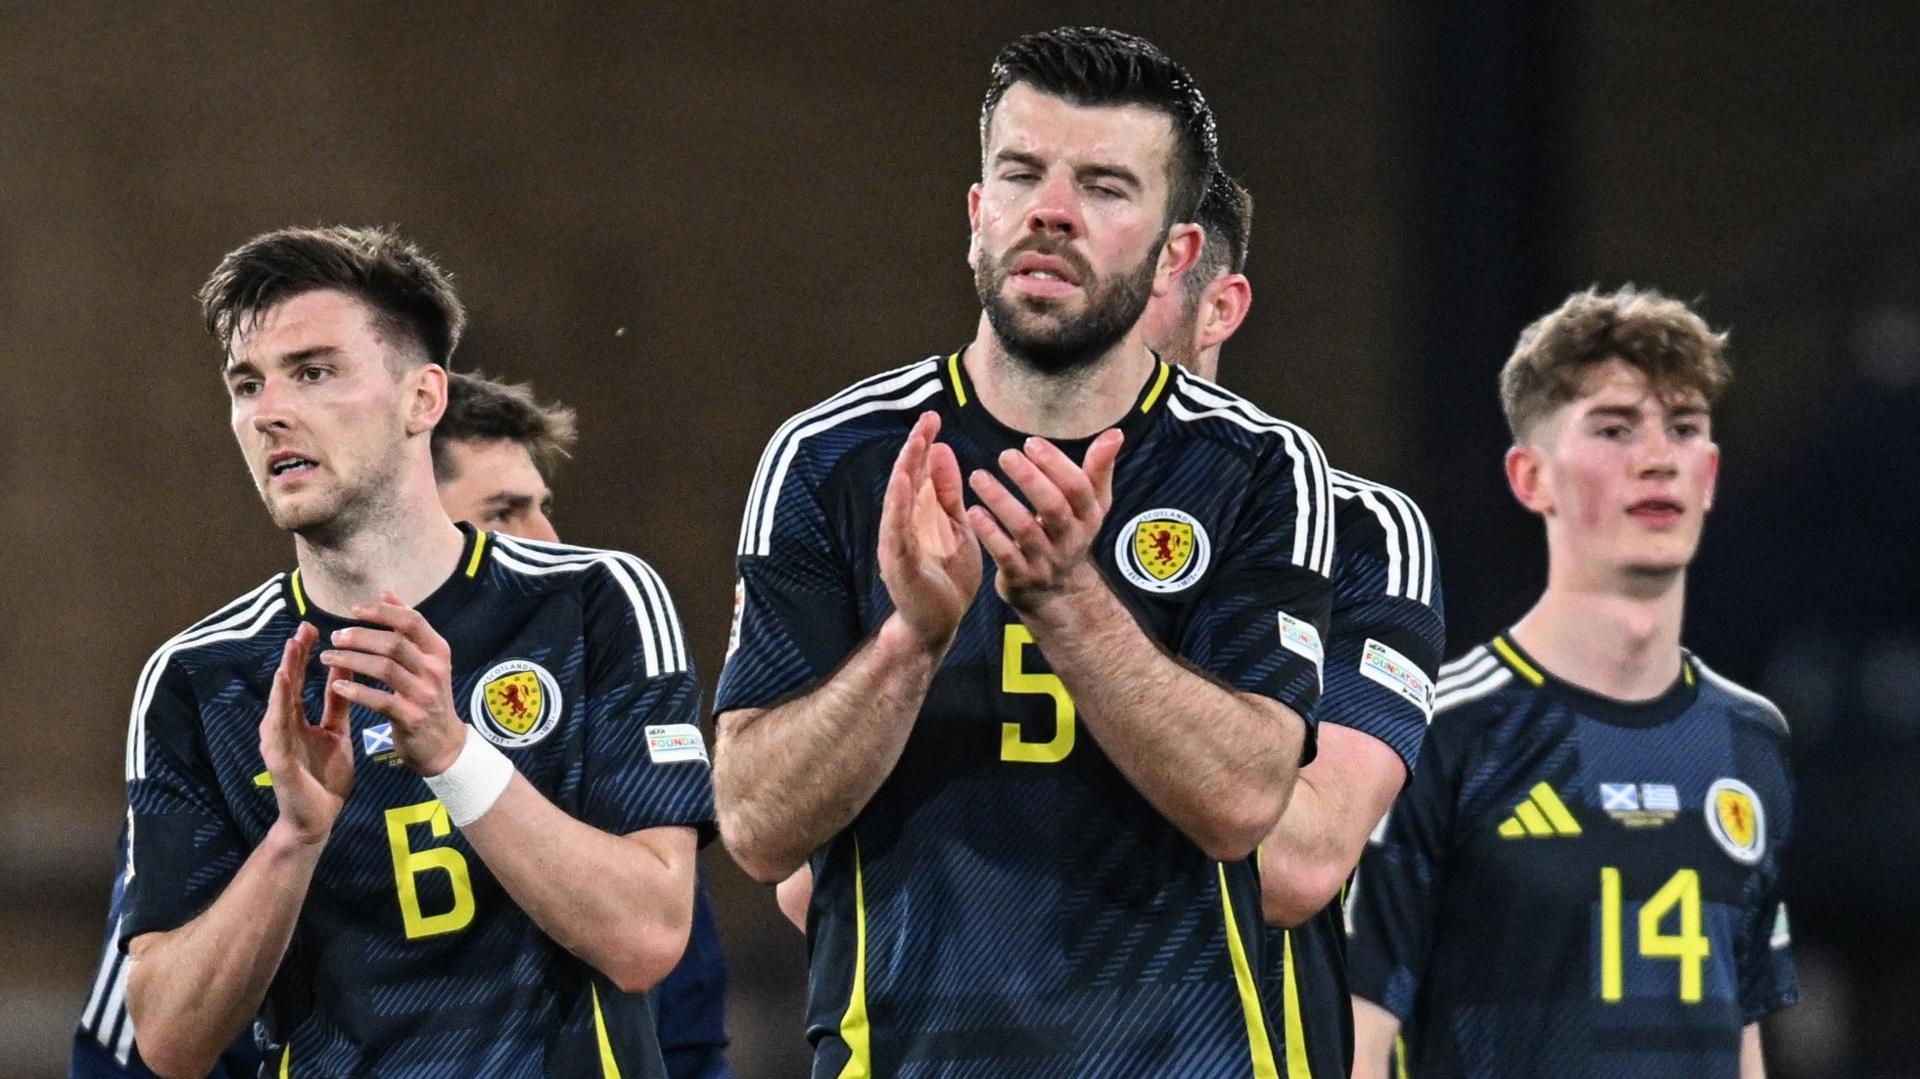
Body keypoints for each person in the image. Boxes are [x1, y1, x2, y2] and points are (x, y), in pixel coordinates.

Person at [714, 27, 1336, 1076]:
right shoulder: (832, 456)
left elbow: (1242, 802)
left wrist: (1066, 599)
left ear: (1176, 254)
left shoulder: (1256, 467)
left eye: (1103, 185)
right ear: (976, 215)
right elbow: (755, 824)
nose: (1051, 210)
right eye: (1021, 174)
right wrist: (911, 641)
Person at [119, 226, 711, 1077]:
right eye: (247, 384)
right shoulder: (200, 678)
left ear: (422, 399)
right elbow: (168, 1039)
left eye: (313, 372)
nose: (268, 411)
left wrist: (454, 754)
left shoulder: (593, 602)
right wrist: (292, 838)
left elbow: (649, 935)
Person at [1346, 287, 1797, 1077]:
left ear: (1710, 474)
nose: (1658, 458)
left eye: (1684, 427)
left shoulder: (1749, 737)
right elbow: (1356, 1040)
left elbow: (1744, 1038)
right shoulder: (1440, 732)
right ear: (1531, 478)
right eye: (1614, 428)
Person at [1140, 170, 1445, 1079]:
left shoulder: (1359, 532)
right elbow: (814, 882)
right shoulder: (947, 508)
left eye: (1138, 275)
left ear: (1219, 308)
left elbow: (1300, 862)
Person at [433, 371, 735, 1079]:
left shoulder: (598, 733)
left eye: (543, 507)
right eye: (503, 513)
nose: (547, 538)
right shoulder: (272, 711)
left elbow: (686, 1036)